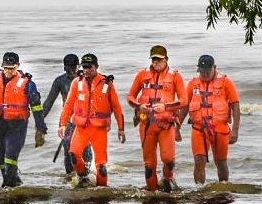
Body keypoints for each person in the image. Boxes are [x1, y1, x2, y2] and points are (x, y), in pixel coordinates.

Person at [0, 52, 48, 187]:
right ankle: (15, 184)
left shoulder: (28, 84)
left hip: (18, 126)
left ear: (18, 66)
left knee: (10, 158)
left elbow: (37, 108)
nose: (8, 71)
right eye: (6, 68)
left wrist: (40, 130)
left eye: (12, 68)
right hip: (0, 125)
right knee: (1, 159)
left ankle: (7, 189)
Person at [58, 53, 125, 187]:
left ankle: (102, 191)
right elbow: (69, 105)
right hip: (81, 128)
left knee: (101, 166)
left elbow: (117, 107)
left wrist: (121, 128)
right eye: (84, 67)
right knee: (73, 154)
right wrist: (62, 124)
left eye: (90, 67)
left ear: (97, 67)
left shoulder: (107, 83)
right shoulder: (77, 83)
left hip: (99, 129)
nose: (87, 70)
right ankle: (83, 177)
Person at [127, 45, 187, 192]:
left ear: (166, 59)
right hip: (146, 125)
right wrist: (139, 106)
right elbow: (130, 97)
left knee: (168, 160)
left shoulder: (175, 76)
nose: (156, 63)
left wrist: (165, 107)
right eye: (154, 59)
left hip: (166, 125)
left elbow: (184, 100)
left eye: (159, 60)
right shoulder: (142, 75)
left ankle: (168, 178)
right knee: (149, 165)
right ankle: (152, 193)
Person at [186, 55, 240, 185]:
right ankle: (199, 190)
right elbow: (184, 106)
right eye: (202, 71)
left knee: (221, 162)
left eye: (207, 71)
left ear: (214, 68)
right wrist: (176, 127)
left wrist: (235, 131)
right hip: (199, 129)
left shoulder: (226, 82)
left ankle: (223, 188)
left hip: (220, 129)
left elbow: (236, 106)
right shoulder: (193, 84)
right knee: (199, 160)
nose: (204, 74)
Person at [42, 53, 92, 176]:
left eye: (73, 70)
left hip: (85, 120)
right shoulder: (60, 81)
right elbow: (49, 102)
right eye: (68, 70)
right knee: (68, 150)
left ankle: (86, 174)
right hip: (67, 121)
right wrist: (40, 121)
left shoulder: (86, 80)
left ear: (78, 67)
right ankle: (70, 177)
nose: (71, 73)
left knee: (85, 148)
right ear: (64, 68)